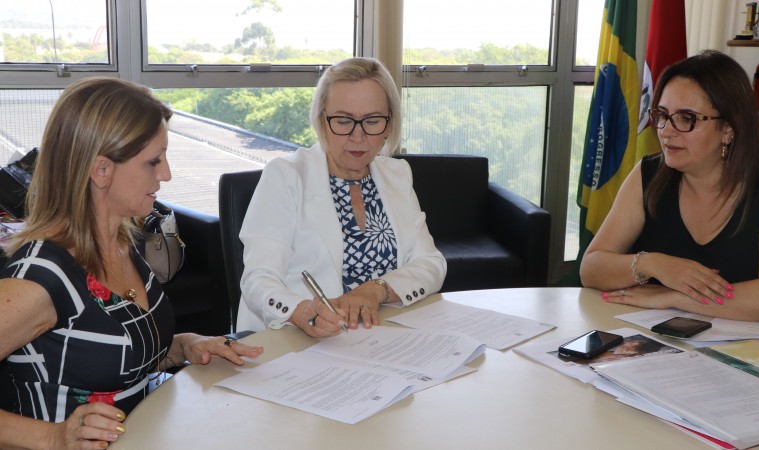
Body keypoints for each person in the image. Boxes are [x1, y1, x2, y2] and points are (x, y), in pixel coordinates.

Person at [0, 77, 263, 449]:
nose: (166, 174)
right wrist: (54, 437)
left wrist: (184, 345)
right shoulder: (42, 278)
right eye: (153, 161)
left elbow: (117, 356)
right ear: (101, 170)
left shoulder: (122, 241)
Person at [580, 50, 759, 322]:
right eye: (662, 115)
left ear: (729, 128)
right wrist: (654, 264)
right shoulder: (648, 173)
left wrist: (674, 298)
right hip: (656, 341)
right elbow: (591, 268)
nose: (666, 131)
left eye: (687, 118)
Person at [237, 57, 446, 336]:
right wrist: (301, 312)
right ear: (322, 120)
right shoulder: (286, 176)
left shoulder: (397, 173)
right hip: (297, 340)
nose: (358, 136)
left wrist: (376, 290)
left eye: (372, 120)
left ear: (388, 125)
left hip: (381, 337)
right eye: (343, 120)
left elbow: (431, 263)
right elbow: (258, 279)